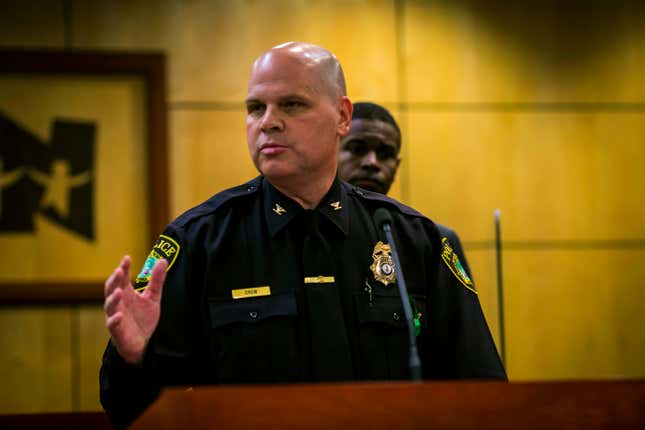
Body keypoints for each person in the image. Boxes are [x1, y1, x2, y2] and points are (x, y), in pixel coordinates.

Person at [100, 42, 506, 428]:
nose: (268, 122)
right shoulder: (200, 240)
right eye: (255, 108)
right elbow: (128, 413)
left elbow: (483, 395)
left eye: (291, 105)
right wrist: (134, 361)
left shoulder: (414, 240)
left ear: (342, 116)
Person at [338, 101, 474, 280]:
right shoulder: (309, 234)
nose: (372, 162)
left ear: (397, 165)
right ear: (332, 153)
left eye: (385, 154)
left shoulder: (434, 241)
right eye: (358, 149)